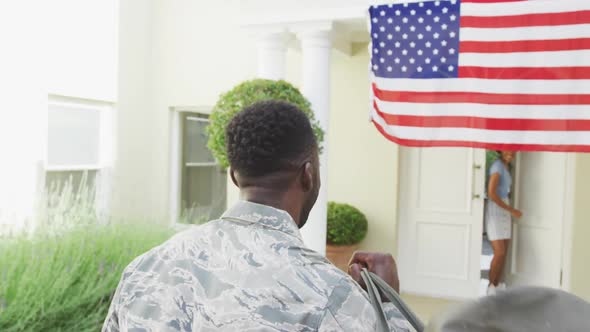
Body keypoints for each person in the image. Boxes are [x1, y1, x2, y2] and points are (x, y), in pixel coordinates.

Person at [102, 100, 410, 331]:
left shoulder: (144, 269)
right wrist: (386, 305)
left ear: (235, 177)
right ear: (308, 175)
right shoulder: (328, 294)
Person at [485, 150, 522, 295]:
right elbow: (492, 194)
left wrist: (509, 209)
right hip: (496, 209)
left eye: (513, 150)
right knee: (499, 252)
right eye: (508, 150)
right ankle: (490, 287)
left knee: (504, 252)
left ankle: (497, 284)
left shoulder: (507, 166)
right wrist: (511, 210)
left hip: (504, 208)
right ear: (501, 150)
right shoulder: (497, 166)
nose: (511, 153)